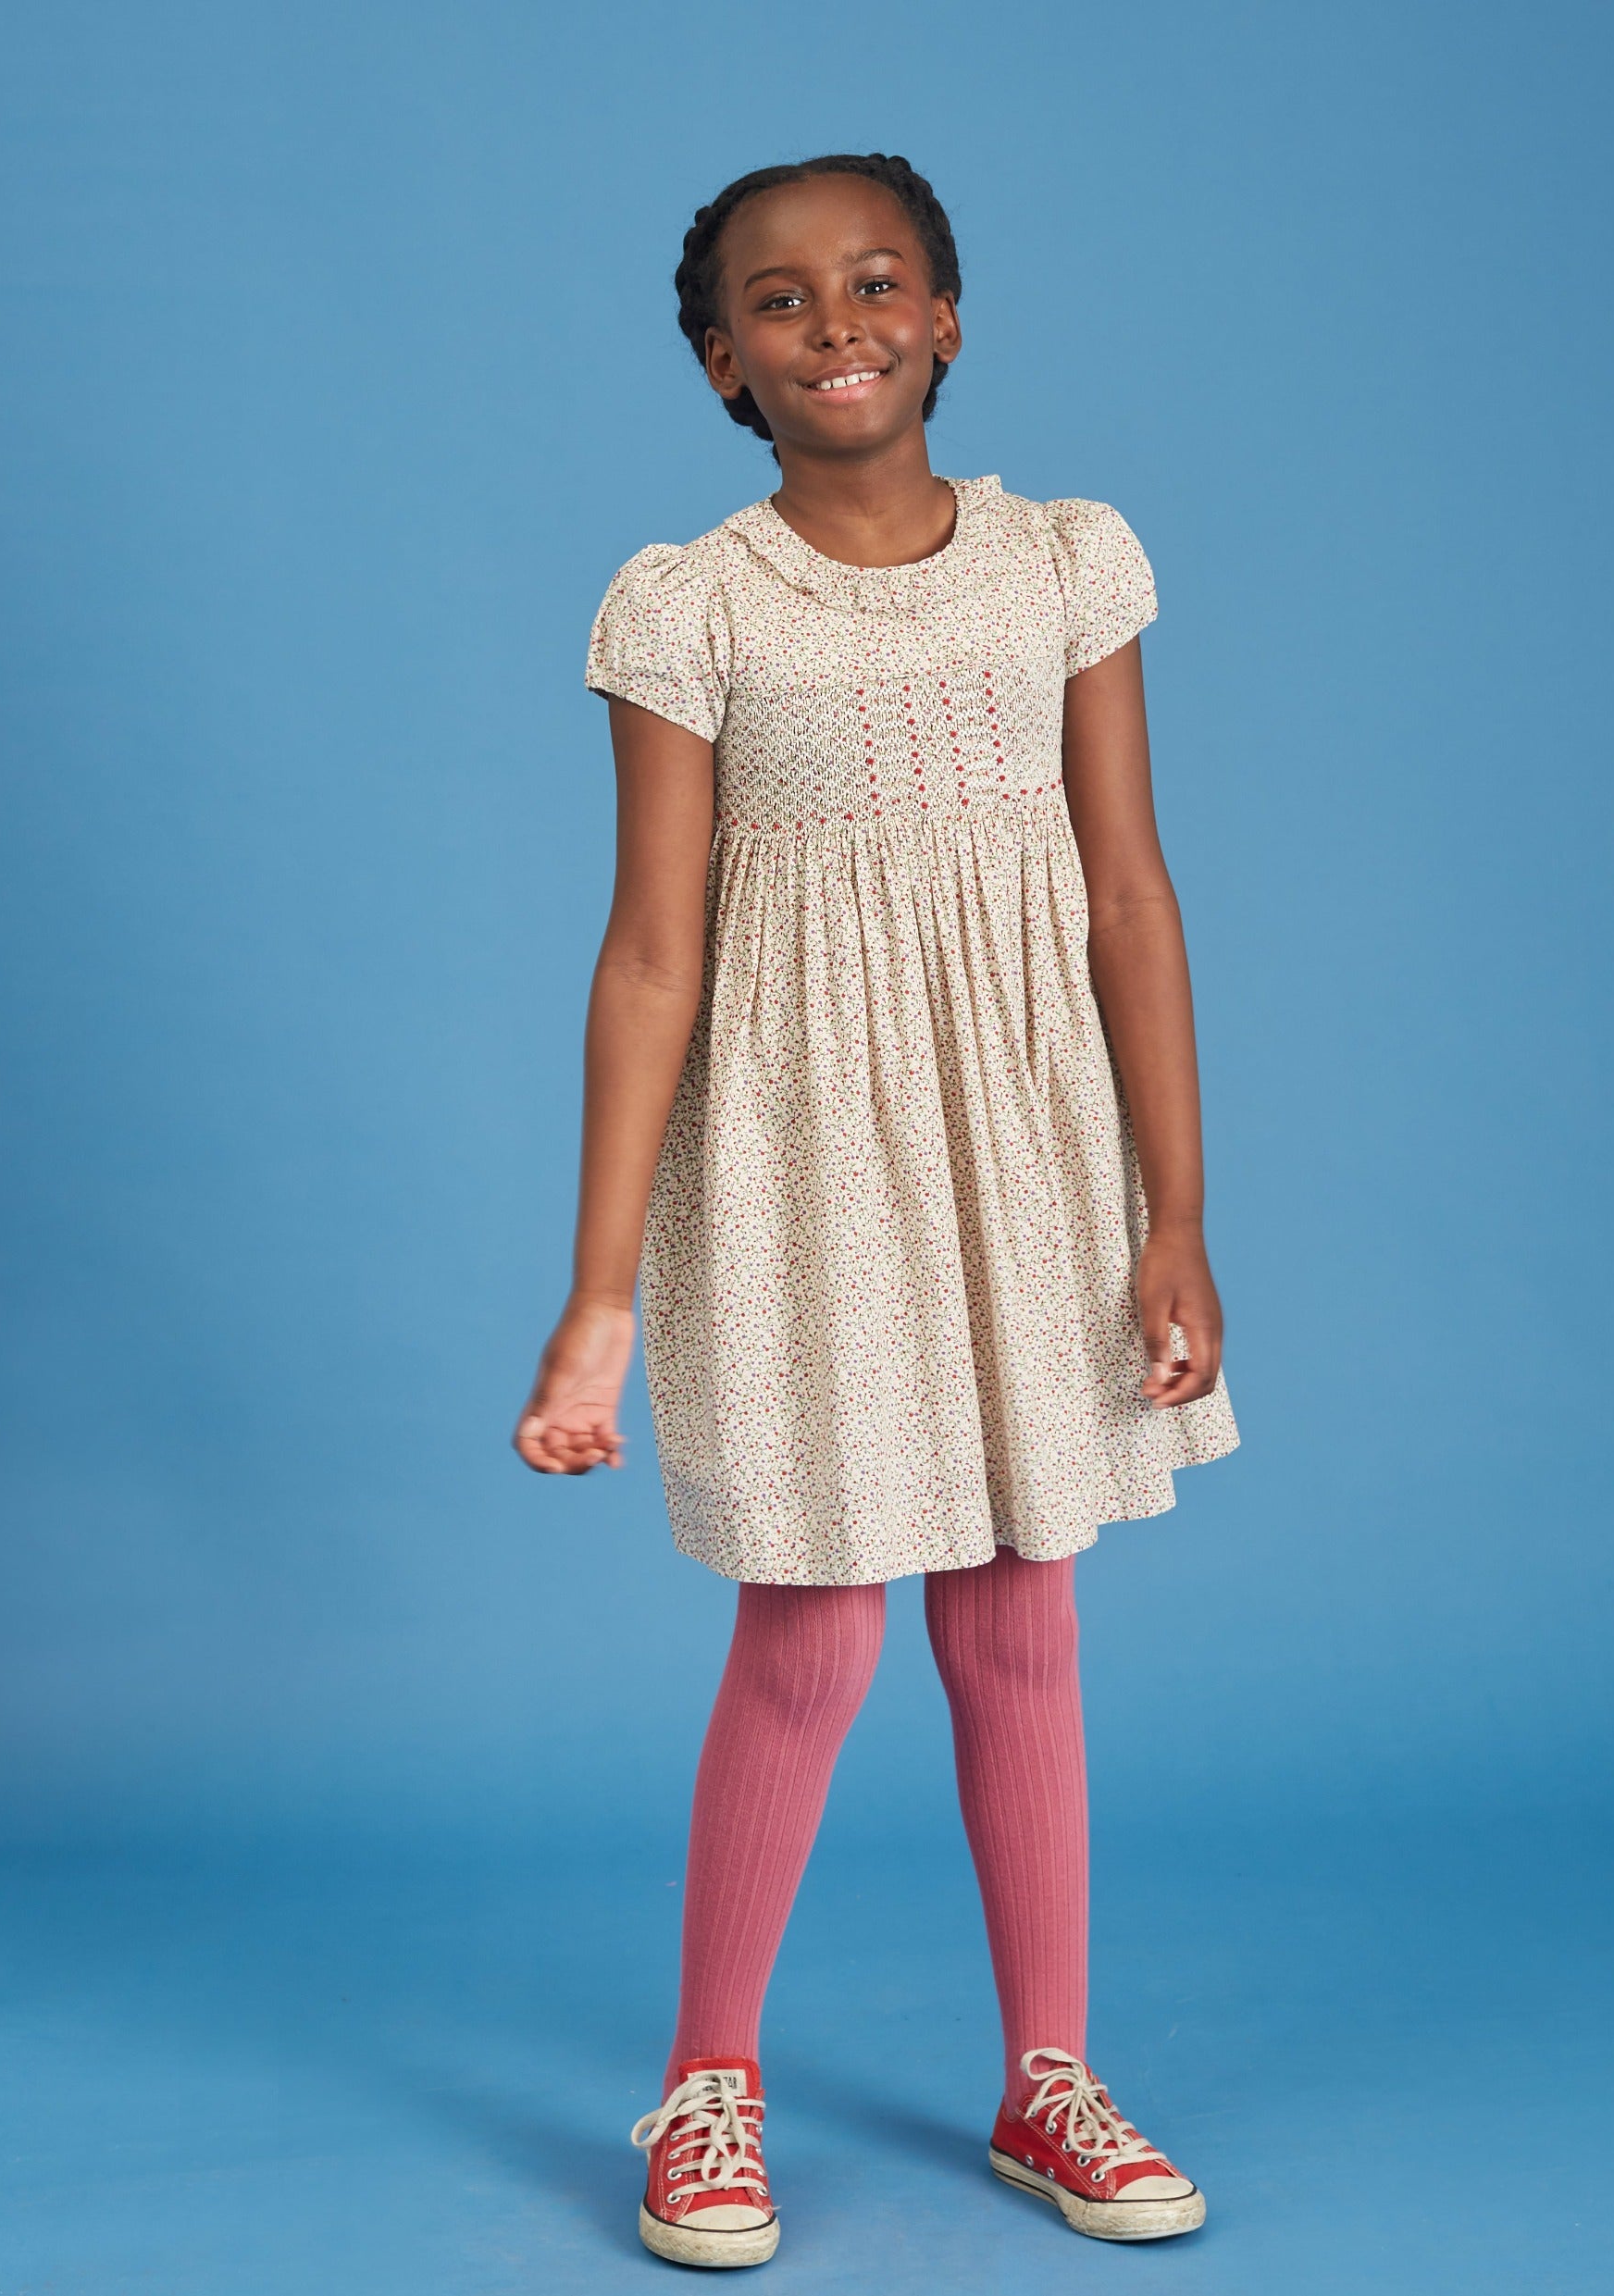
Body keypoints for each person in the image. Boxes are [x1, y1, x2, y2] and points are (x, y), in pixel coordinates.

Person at [514, 150, 1239, 2269]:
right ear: (718, 357)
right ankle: (707, 2081)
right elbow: (651, 950)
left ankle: (1048, 2076)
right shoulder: (694, 603)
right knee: (817, 1621)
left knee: (1022, 1611)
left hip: (1026, 1150)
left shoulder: (1062, 564)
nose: (833, 324)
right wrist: (593, 1295)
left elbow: (1127, 890)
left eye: (875, 283)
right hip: (799, 1159)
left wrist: (1175, 1210)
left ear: (945, 317)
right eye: (779, 301)